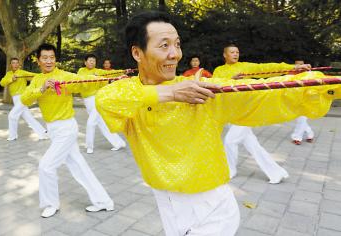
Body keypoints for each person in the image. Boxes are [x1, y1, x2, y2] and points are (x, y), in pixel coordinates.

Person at [94, 11, 340, 236]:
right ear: (138, 53)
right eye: (164, 45)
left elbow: (261, 95)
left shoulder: (201, 92)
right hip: (167, 201)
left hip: (211, 209)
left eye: (177, 44)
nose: (175, 54)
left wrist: (324, 84)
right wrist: (170, 93)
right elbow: (106, 100)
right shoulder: (130, 92)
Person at [21, 44, 114, 218]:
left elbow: (84, 84)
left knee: (46, 166)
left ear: (55, 59)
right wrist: (41, 89)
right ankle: (104, 202)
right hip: (53, 130)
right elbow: (25, 100)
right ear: (38, 60)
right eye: (45, 58)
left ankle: (51, 204)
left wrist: (100, 77)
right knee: (79, 166)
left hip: (66, 128)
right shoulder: (37, 79)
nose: (49, 61)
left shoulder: (65, 76)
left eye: (52, 57)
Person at [213, 44, 312, 184]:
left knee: (230, 141)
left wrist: (294, 67)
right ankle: (276, 173)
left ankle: (230, 170)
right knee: (253, 146)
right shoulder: (218, 70)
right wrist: (232, 80)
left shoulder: (245, 66)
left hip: (246, 113)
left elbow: (267, 68)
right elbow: (216, 85)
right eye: (232, 52)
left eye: (237, 52)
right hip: (231, 113)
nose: (235, 54)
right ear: (225, 55)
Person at [78, 54, 126, 154]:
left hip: (97, 99)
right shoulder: (81, 71)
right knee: (102, 124)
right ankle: (118, 143)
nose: (92, 62)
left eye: (94, 61)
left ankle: (89, 146)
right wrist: (92, 77)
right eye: (90, 60)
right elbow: (80, 80)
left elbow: (111, 73)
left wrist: (123, 71)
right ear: (85, 62)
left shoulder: (99, 71)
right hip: (87, 101)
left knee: (90, 123)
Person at [0, 58, 47, 141]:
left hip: (23, 97)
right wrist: (11, 79)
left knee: (12, 116)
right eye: (13, 63)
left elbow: (35, 76)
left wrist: (46, 75)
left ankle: (12, 136)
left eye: (16, 63)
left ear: (19, 65)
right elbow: (2, 83)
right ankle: (43, 133)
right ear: (10, 65)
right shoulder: (8, 74)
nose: (15, 64)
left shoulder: (23, 73)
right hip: (15, 98)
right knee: (28, 117)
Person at [290, 60, 315, 145]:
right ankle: (310, 134)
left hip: (306, 100)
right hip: (294, 100)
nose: (299, 66)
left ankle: (297, 138)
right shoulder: (291, 74)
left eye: (301, 64)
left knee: (301, 119)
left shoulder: (309, 75)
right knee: (300, 119)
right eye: (297, 65)